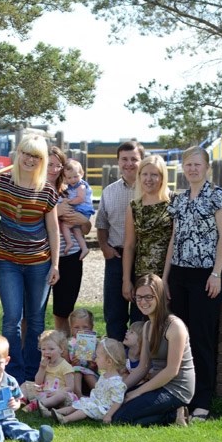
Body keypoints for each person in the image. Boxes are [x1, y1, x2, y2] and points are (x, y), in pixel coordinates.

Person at [164, 146, 222, 421]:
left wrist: (216, 273)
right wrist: (166, 277)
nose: (192, 169)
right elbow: (174, 240)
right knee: (180, 338)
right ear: (183, 168)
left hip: (205, 276)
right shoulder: (179, 200)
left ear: (207, 167)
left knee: (202, 338)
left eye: (197, 164)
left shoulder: (217, 196)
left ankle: (202, 400)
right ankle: (181, 395)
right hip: (179, 274)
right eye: (188, 165)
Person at [0, 135, 60, 384]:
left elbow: (53, 230)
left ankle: (32, 373)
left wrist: (55, 264)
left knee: (35, 320)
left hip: (39, 262)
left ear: (42, 160)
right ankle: (13, 373)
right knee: (11, 318)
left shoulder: (47, 190)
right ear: (18, 153)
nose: (30, 160)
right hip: (8, 260)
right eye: (26, 153)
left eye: (36, 156)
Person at [112, 274, 195, 426]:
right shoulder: (147, 327)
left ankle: (174, 414)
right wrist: (120, 388)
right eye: (138, 297)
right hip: (157, 384)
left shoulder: (175, 326)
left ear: (160, 297)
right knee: (114, 406)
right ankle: (168, 413)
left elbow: (172, 371)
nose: (143, 302)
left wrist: (137, 392)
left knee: (121, 418)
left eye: (148, 297)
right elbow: (143, 367)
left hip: (176, 388)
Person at [96, 140, 143, 341]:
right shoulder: (109, 191)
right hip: (116, 255)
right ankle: (115, 361)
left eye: (134, 159)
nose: (129, 163)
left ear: (142, 160)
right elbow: (101, 224)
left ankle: (138, 362)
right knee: (114, 312)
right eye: (124, 159)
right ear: (118, 162)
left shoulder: (150, 189)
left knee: (141, 313)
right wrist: (104, 247)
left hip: (144, 258)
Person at [46, 147, 92, 334]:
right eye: (50, 164)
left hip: (69, 255)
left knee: (63, 310)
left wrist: (84, 221)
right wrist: (56, 212)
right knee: (32, 311)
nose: (54, 169)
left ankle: (63, 352)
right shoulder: (34, 189)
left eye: (58, 165)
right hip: (42, 254)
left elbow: (86, 228)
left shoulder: (69, 191)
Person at [122, 154, 173, 304]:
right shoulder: (134, 206)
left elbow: (174, 242)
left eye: (154, 175)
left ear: (162, 178)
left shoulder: (174, 203)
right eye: (144, 174)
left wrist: (165, 278)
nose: (148, 179)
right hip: (142, 276)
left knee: (165, 322)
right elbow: (130, 245)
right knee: (141, 323)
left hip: (168, 275)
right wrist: (126, 280)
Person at [52, 338, 127, 424]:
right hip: (95, 402)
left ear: (109, 362)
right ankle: (54, 413)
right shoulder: (104, 375)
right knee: (78, 403)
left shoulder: (116, 383)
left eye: (98, 357)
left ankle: (66, 419)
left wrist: (109, 415)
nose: (95, 359)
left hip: (102, 409)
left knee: (85, 408)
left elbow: (117, 402)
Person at [22, 330, 75, 416]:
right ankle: (22, 401)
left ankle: (37, 405)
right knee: (25, 384)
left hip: (60, 395)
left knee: (60, 396)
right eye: (43, 349)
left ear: (61, 349)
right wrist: (42, 368)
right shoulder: (45, 364)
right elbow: (38, 382)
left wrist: (58, 392)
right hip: (45, 392)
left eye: (51, 349)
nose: (47, 352)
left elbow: (70, 387)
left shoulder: (65, 366)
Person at [58, 160, 94, 259]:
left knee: (65, 225)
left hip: (81, 210)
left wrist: (68, 202)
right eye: (69, 178)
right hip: (80, 210)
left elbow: (80, 198)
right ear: (65, 178)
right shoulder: (69, 187)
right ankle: (84, 247)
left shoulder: (81, 186)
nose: (73, 180)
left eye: (75, 176)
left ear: (82, 174)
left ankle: (69, 243)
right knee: (76, 230)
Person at [68, 308, 98, 397]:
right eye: (76, 327)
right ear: (71, 328)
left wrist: (93, 365)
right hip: (74, 375)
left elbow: (100, 367)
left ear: (91, 327)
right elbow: (64, 364)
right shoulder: (69, 343)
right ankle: (78, 395)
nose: (80, 330)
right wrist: (72, 364)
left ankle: (99, 394)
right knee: (77, 369)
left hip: (90, 373)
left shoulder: (95, 343)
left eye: (85, 327)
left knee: (87, 372)